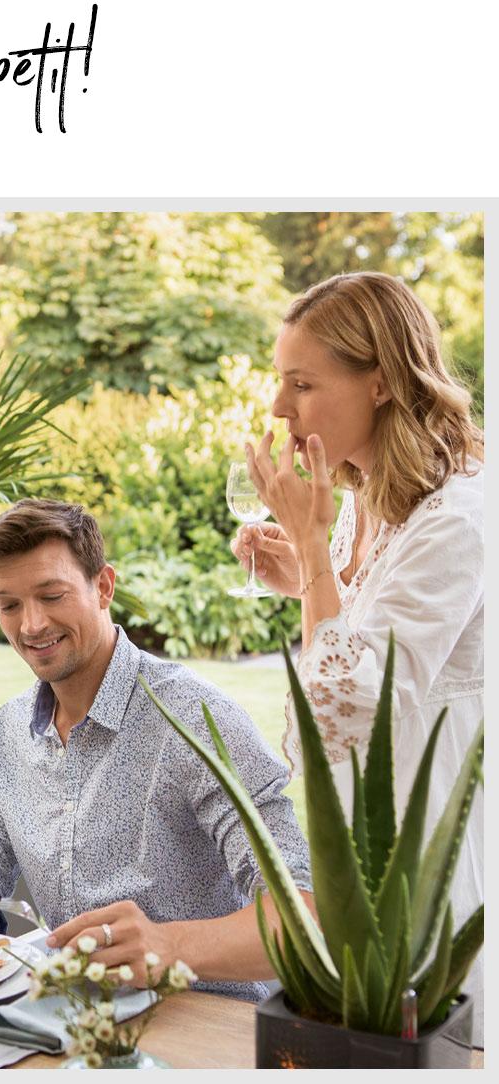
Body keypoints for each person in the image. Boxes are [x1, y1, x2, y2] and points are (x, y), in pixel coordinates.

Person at [0, 499, 312, 1000]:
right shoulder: (10, 729)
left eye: (52, 595)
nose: (31, 626)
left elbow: (305, 915)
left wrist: (167, 944)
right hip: (64, 1023)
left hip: (203, 1026)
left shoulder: (195, 720)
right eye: (9, 605)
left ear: (103, 586)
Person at [231, 271, 483, 1041]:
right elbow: (360, 636)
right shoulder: (372, 498)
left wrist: (310, 547)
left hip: (427, 853)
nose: (280, 409)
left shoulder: (461, 518)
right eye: (282, 382)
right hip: (371, 852)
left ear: (379, 381)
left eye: (303, 384)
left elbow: (342, 714)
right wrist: (311, 576)